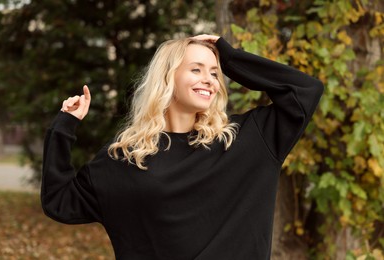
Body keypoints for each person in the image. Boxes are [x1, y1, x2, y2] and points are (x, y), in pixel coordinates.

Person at [41, 34, 323, 259]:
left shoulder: (247, 140)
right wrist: (65, 125)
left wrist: (230, 56)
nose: (209, 80)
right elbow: (60, 201)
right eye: (196, 69)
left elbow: (305, 91)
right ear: (167, 77)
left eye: (215, 72)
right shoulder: (126, 158)